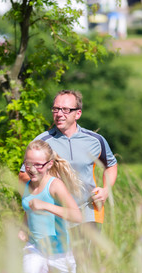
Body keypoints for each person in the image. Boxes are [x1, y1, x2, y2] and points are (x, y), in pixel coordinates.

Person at [19, 90, 118, 231]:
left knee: (85, 253)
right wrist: (48, 181)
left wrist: (106, 190)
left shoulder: (95, 140)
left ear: (77, 113)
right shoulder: (42, 141)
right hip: (55, 214)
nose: (59, 114)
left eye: (65, 110)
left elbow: (111, 165)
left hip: (89, 212)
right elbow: (23, 175)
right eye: (56, 109)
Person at [19, 140, 82, 273]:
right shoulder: (28, 184)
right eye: (28, 164)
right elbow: (29, 209)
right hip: (35, 248)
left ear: (49, 164)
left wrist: (46, 206)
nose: (32, 169)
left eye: (38, 165)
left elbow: (76, 215)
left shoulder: (55, 185)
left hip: (59, 253)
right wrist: (22, 228)